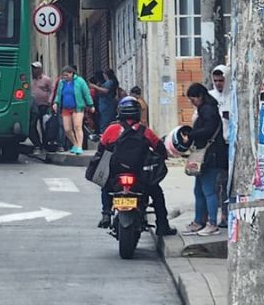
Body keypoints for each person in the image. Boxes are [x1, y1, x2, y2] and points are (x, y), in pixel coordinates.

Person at [96, 96, 176, 235]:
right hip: (140, 176)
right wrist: (163, 157)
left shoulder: (111, 129)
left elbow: (101, 149)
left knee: (105, 185)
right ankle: (162, 226)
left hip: (116, 174)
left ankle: (106, 214)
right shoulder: (145, 131)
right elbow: (160, 148)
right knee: (157, 194)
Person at [181, 82, 228, 236]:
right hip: (204, 157)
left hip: (211, 157)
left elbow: (207, 130)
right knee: (199, 190)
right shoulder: (204, 109)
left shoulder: (208, 110)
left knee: (208, 191)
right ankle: (199, 221)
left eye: (193, 99)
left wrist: (191, 135)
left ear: (200, 96)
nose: (192, 102)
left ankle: (212, 223)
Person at [207, 64, 232, 228]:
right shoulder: (210, 97)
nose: (218, 84)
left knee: (230, 183)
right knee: (219, 183)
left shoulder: (234, 96)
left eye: (221, 80)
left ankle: (227, 216)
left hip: (233, 144)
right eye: (215, 80)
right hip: (217, 146)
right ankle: (220, 216)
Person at [52, 65, 93, 155]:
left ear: (72, 73)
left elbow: (86, 93)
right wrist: (56, 103)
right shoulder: (62, 83)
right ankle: (75, 143)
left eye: (67, 75)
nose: (65, 77)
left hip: (77, 107)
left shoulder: (80, 81)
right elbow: (59, 94)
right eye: (64, 75)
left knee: (77, 126)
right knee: (67, 129)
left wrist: (91, 104)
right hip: (65, 108)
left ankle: (79, 146)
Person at [29, 62, 54, 151]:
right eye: (33, 69)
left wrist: (50, 101)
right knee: (32, 125)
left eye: (35, 68)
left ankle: (45, 143)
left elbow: (52, 91)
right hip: (32, 106)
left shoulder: (46, 79)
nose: (33, 70)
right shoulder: (30, 79)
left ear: (40, 69)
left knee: (44, 125)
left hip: (43, 105)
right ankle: (37, 143)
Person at [91, 69, 120, 136]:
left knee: (105, 121)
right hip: (106, 104)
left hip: (107, 105)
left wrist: (95, 86)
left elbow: (105, 90)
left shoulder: (109, 82)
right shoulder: (110, 82)